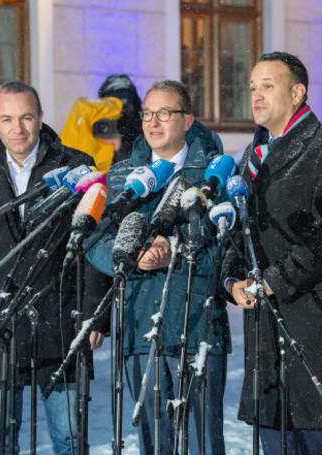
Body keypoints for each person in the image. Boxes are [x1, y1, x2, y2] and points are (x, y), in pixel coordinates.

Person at [222, 51, 322, 455]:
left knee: (311, 436)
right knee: (274, 436)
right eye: (252, 87)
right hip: (262, 324)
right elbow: (239, 230)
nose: (256, 95)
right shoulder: (252, 156)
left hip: (307, 318)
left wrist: (269, 282)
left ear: (297, 92)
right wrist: (231, 281)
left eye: (268, 85)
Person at [0, 81, 96, 454]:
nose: (18, 128)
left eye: (26, 117)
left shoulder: (76, 167)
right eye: (8, 119)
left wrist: (95, 314)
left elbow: (93, 246)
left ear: (41, 117)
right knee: (0, 439)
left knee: (70, 438)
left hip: (60, 317)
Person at [86, 80, 231, 455]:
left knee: (202, 445)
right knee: (154, 445)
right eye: (148, 113)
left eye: (164, 113)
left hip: (197, 329)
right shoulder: (122, 176)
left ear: (187, 120)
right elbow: (94, 241)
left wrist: (178, 253)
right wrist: (128, 255)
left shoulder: (214, 178)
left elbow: (230, 252)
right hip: (138, 330)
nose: (153, 122)